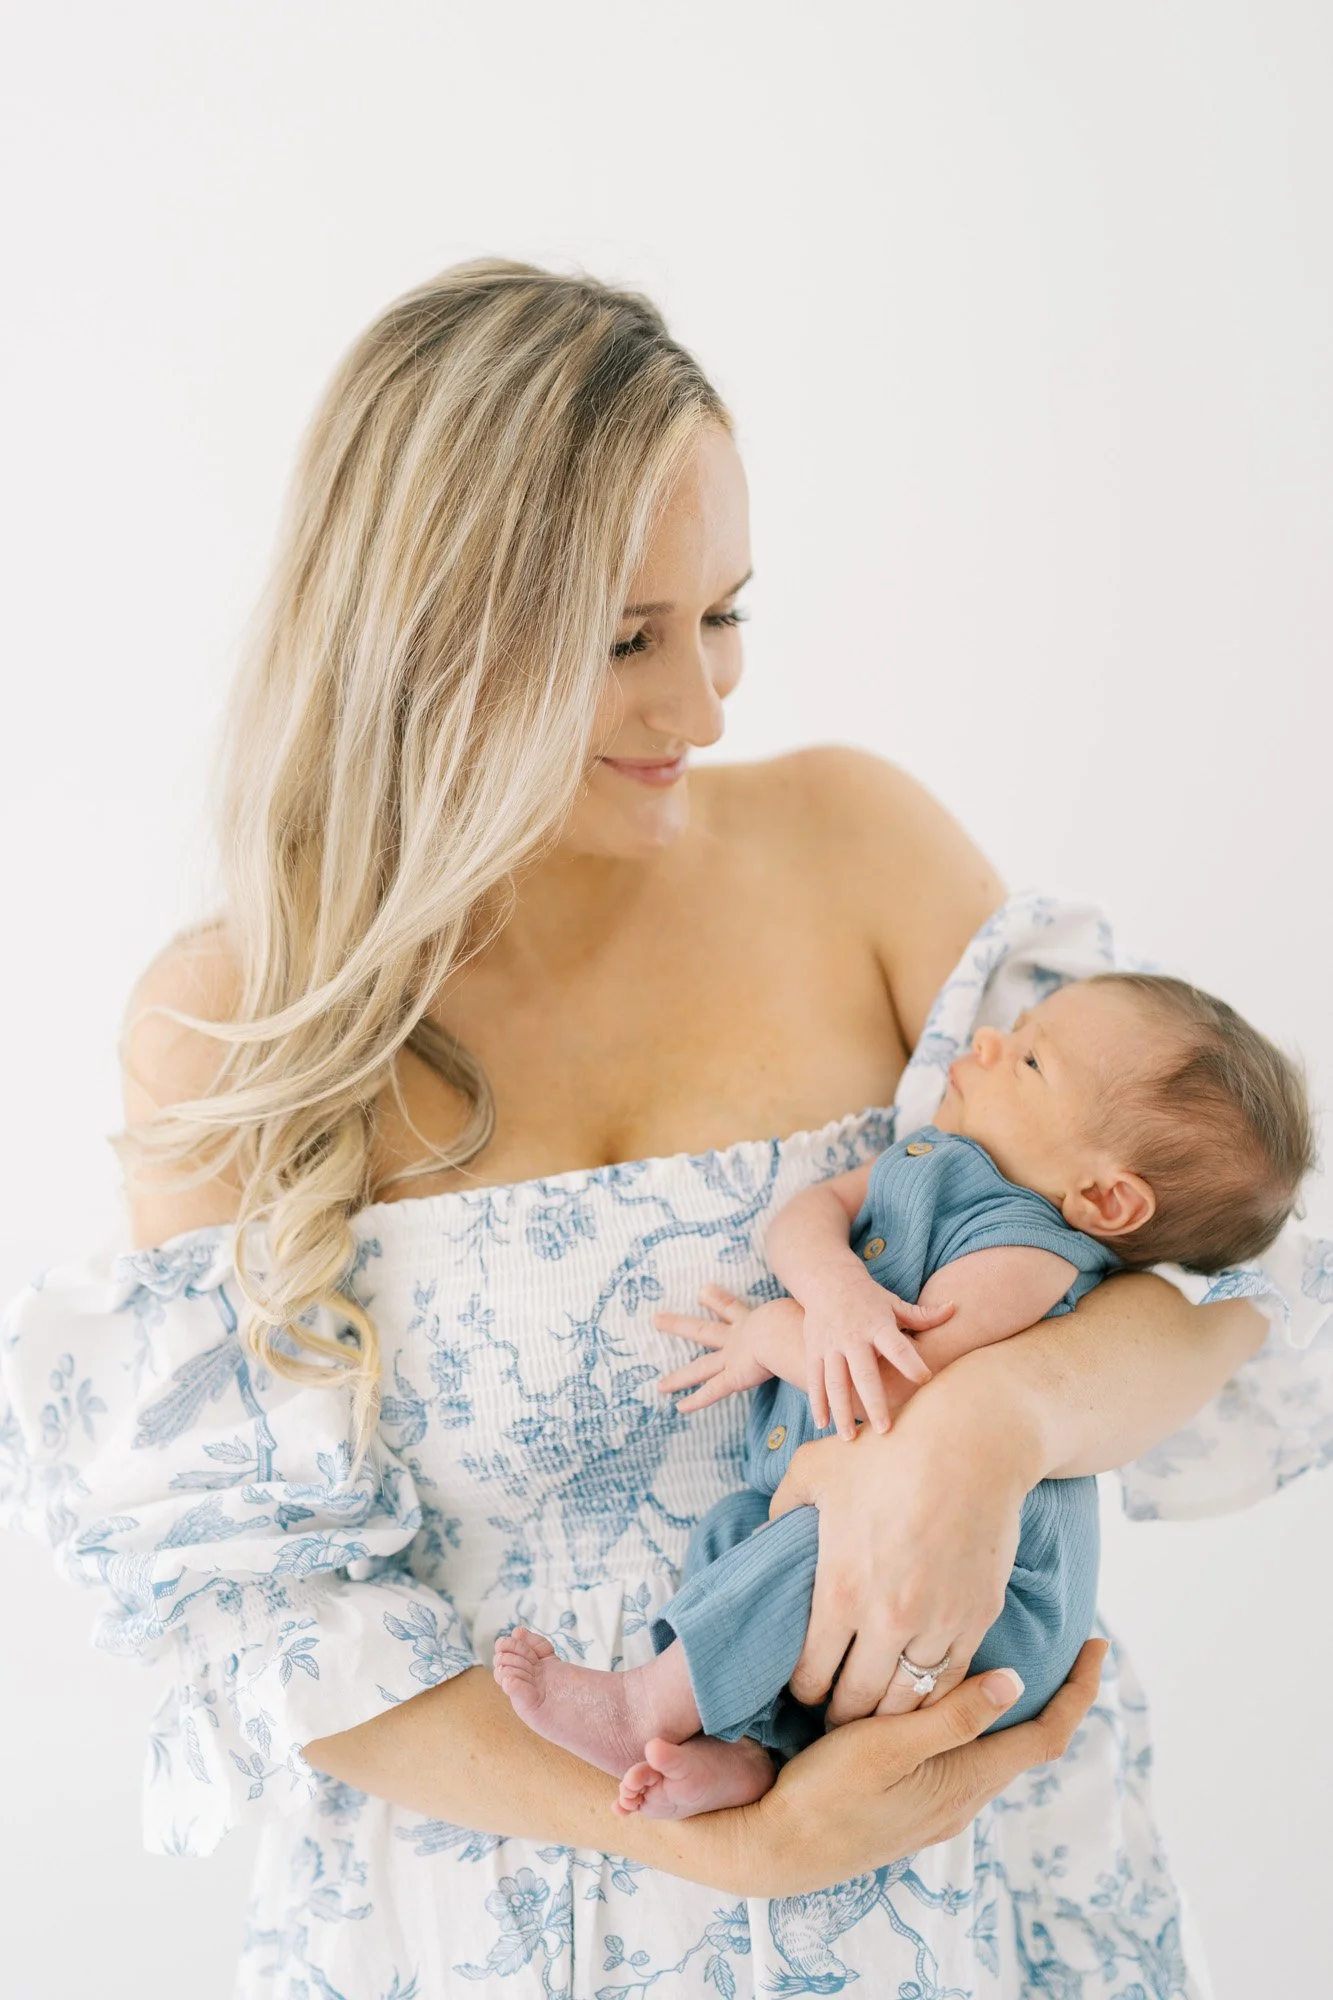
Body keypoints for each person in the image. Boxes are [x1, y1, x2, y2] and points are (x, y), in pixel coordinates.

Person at [1, 260, 1330, 1999]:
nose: (701, 707)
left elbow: (1221, 1293)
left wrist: (985, 1428)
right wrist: (711, 1839)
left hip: (968, 1900)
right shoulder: (235, 1028)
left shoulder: (857, 849)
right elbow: (276, 1635)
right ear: (421, 627)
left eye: (725, 616)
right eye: (624, 640)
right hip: (509, 1923)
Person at [493, 972, 1315, 1820]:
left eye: (1030, 1059)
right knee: (735, 1535)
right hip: (862, 1528)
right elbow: (804, 1215)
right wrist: (834, 1283)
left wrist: (774, 1333)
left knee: (804, 1548)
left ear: (1105, 1197)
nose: (989, 1041)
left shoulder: (1024, 1255)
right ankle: (741, 1747)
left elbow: (887, 1386)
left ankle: (642, 1709)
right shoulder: (937, 1155)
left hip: (991, 1603)